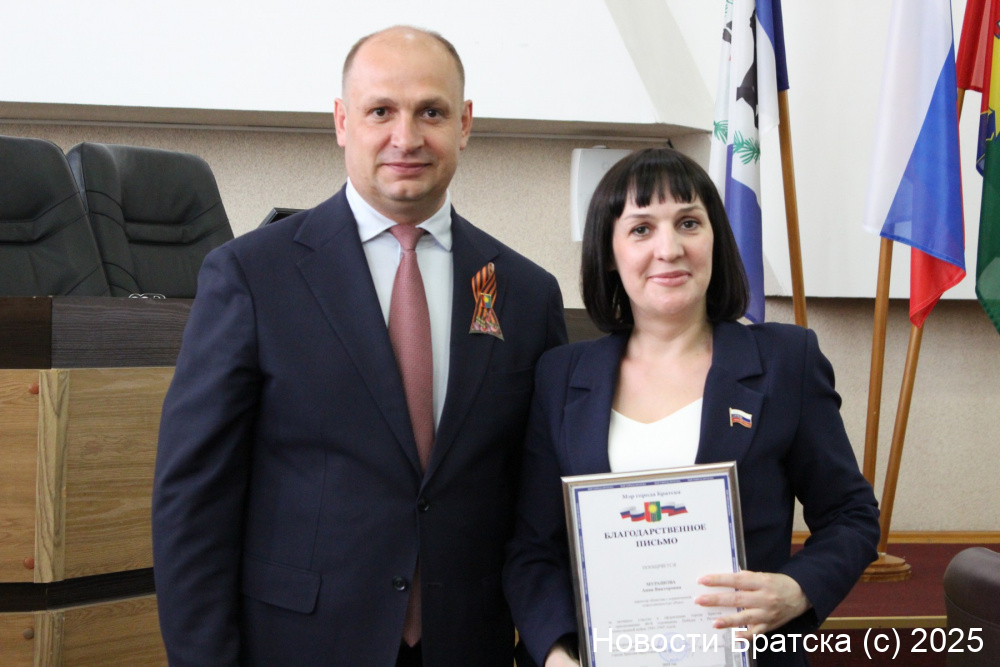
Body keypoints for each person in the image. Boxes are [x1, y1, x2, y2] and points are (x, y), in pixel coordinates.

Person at [152, 26, 566, 667]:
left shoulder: (526, 294)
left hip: (467, 646)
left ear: (464, 124)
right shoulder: (252, 277)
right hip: (300, 646)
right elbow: (193, 503)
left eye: (431, 112)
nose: (407, 137)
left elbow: (539, 508)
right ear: (342, 122)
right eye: (381, 111)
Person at [503, 148, 879, 667]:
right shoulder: (560, 376)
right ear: (609, 252)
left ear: (715, 238)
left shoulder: (786, 361)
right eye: (641, 229)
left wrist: (797, 590)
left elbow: (850, 515)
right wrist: (557, 654)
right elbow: (533, 549)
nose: (670, 248)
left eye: (688, 223)